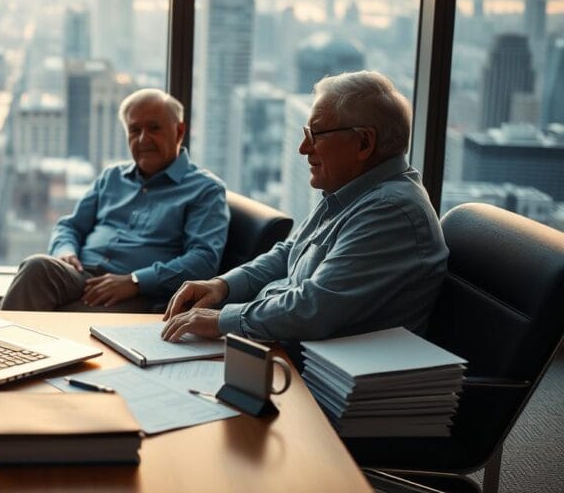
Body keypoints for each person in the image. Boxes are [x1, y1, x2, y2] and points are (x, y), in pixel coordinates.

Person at [161, 70, 448, 342]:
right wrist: (223, 286)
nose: (303, 148)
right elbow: (291, 253)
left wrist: (222, 320)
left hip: (319, 379)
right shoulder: (352, 192)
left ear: (364, 142)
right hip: (284, 349)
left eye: (315, 134)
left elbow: (313, 308)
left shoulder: (390, 212)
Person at [0, 88, 230, 312]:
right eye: (134, 130)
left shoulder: (205, 190)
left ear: (179, 131)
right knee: (36, 267)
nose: (142, 139)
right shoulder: (112, 177)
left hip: (141, 295)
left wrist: (136, 281)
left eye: (154, 128)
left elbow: (203, 261)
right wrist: (65, 251)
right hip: (80, 275)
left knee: (54, 316)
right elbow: (70, 226)